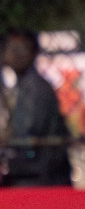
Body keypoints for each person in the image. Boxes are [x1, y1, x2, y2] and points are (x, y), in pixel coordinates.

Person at [1, 28, 70, 186]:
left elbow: (25, 134)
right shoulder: (23, 85)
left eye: (23, 47)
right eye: (12, 47)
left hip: (39, 177)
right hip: (35, 172)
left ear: (34, 52)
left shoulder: (34, 87)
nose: (17, 53)